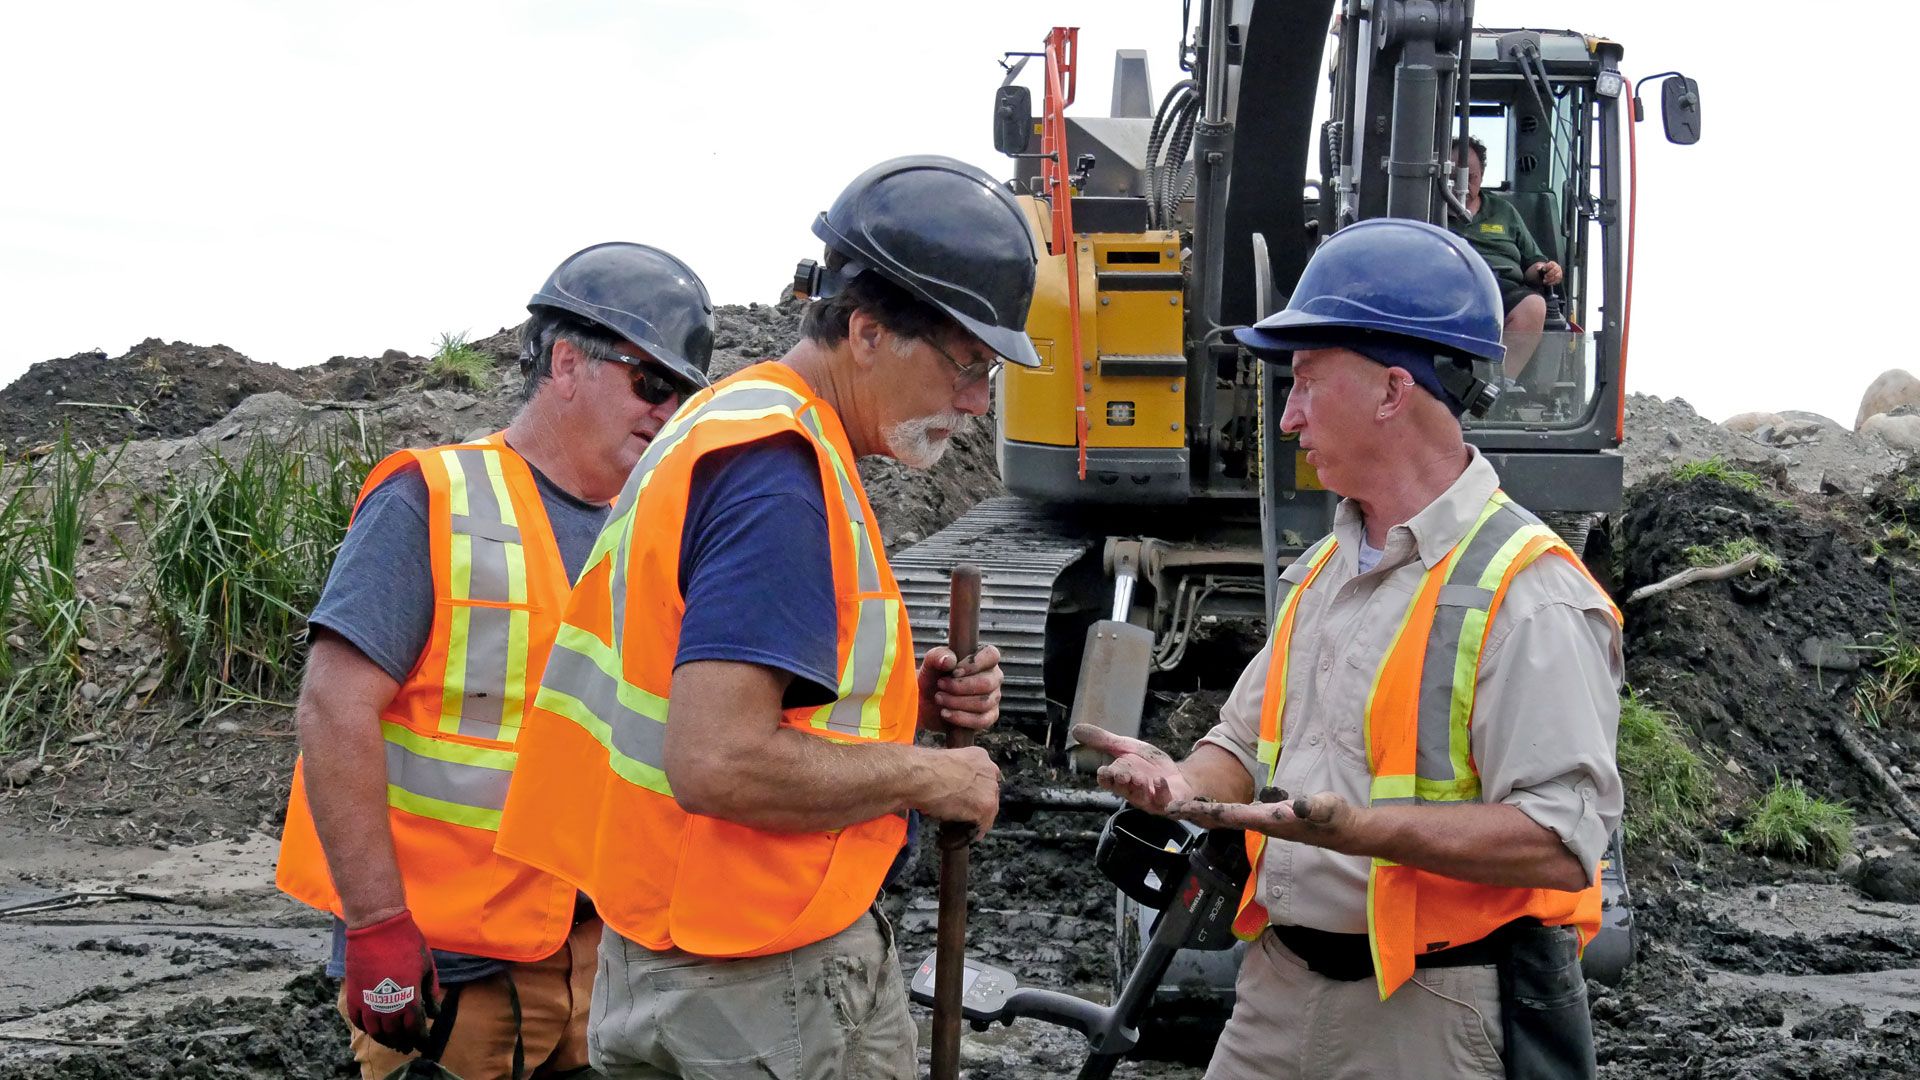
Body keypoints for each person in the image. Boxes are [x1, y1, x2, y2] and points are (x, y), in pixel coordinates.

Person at [492, 155, 1039, 1079]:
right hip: (748, 978)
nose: (977, 402)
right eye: (968, 365)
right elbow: (720, 760)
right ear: (867, 332)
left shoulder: (747, 428)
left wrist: (911, 700)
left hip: (694, 950)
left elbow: (726, 693)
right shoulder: (776, 473)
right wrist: (930, 776)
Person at [1075, 217, 1623, 1080]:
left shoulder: (1530, 594)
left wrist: (1360, 830)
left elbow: (1559, 840)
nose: (1287, 417)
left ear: (1392, 391)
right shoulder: (1326, 567)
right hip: (1276, 993)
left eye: (1304, 383)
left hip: (1430, 1015)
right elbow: (1242, 746)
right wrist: (1179, 785)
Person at [275, 242, 716, 1079]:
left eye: (681, 395)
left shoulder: (648, 530)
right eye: (650, 383)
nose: (666, 413)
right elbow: (333, 707)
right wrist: (375, 924)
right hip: (450, 971)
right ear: (565, 363)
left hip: (602, 956)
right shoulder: (433, 500)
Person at [1450, 136, 1563, 381]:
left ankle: (1496, 388)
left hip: (1503, 288)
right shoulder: (1427, 210)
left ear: (1482, 175)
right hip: (1450, 288)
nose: (1463, 187)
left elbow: (1533, 263)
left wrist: (1547, 270)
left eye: (1471, 178)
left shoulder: (1504, 211)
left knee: (1534, 306)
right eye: (1453, 178)